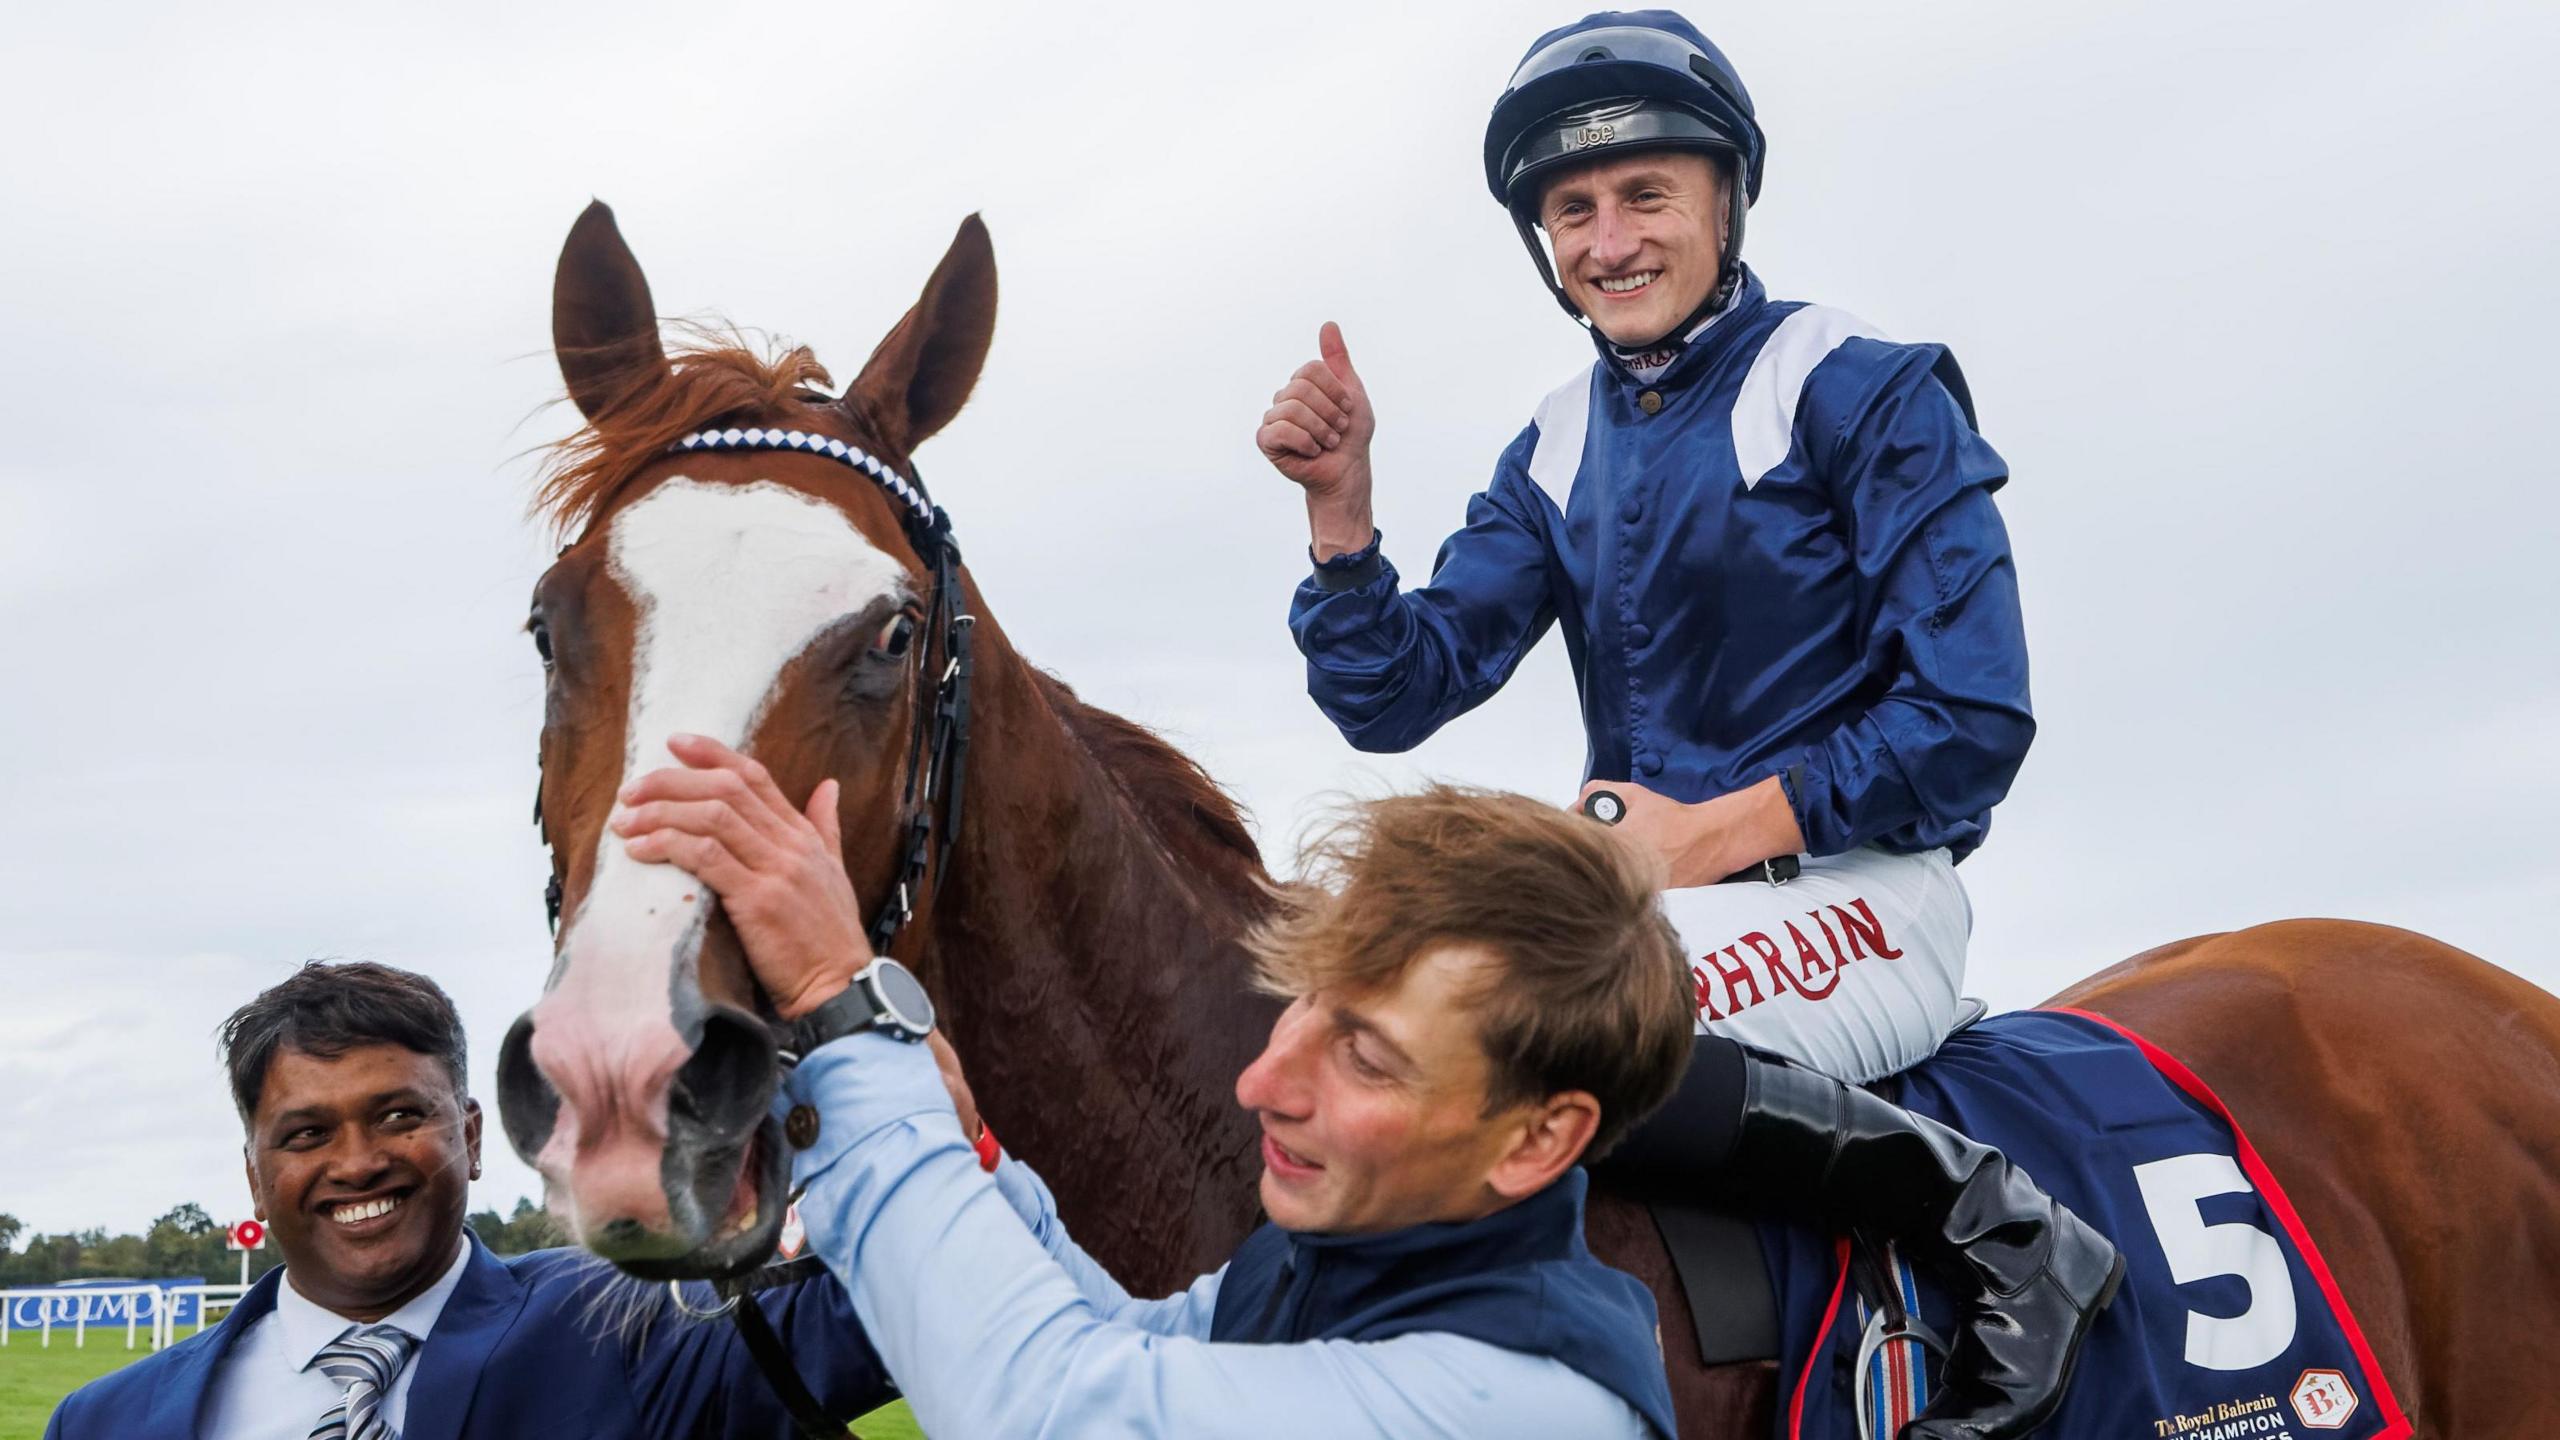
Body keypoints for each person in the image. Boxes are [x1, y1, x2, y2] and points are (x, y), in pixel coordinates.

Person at [1254, 12, 2116, 1434]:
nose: (1609, 240)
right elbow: (1398, 693)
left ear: (1725, 198)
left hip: (1867, 899)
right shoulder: (1553, 442)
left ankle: (2012, 1239)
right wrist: (1340, 516)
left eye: (1646, 193)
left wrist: (1713, 834)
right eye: (1573, 210)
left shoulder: (1863, 384)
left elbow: (1973, 716)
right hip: (1657, 912)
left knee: (1555, 1042)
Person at [46, 962, 892, 1440]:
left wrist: (841, 1000)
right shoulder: (99, 1422)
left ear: (474, 1137)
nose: (360, 1162)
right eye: (306, 1135)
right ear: (255, 1178)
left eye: (400, 1115)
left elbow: (902, 1290)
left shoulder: (629, 1324)